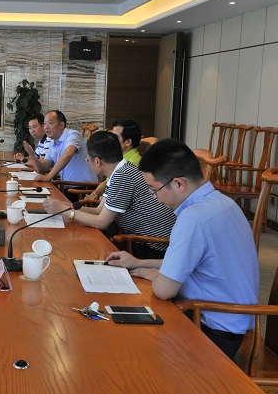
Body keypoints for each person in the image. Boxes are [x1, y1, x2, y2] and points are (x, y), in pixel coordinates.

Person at [105, 138, 259, 359]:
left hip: (210, 331)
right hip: (230, 324)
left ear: (179, 184)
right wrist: (138, 262)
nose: (154, 197)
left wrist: (158, 277)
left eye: (154, 189)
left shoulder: (192, 218)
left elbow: (164, 290)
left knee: (128, 348)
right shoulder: (222, 202)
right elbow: (194, 262)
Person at [44, 131, 176, 258]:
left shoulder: (122, 176)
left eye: (87, 160)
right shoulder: (120, 170)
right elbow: (98, 211)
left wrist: (66, 211)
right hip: (142, 241)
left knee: (78, 249)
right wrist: (65, 206)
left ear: (97, 161)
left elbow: (102, 222)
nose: (87, 162)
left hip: (154, 247)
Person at [25, 111, 96, 200]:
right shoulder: (53, 142)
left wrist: (48, 177)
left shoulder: (73, 135)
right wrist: (32, 156)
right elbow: (43, 168)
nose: (46, 127)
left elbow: (67, 155)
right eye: (44, 124)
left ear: (61, 125)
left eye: (50, 123)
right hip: (67, 187)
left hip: (83, 189)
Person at [86, 119, 143, 200]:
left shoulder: (133, 164)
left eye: (115, 137)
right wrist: (95, 193)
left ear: (128, 142)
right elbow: (107, 182)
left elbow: (118, 197)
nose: (111, 140)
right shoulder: (119, 159)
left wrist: (101, 198)